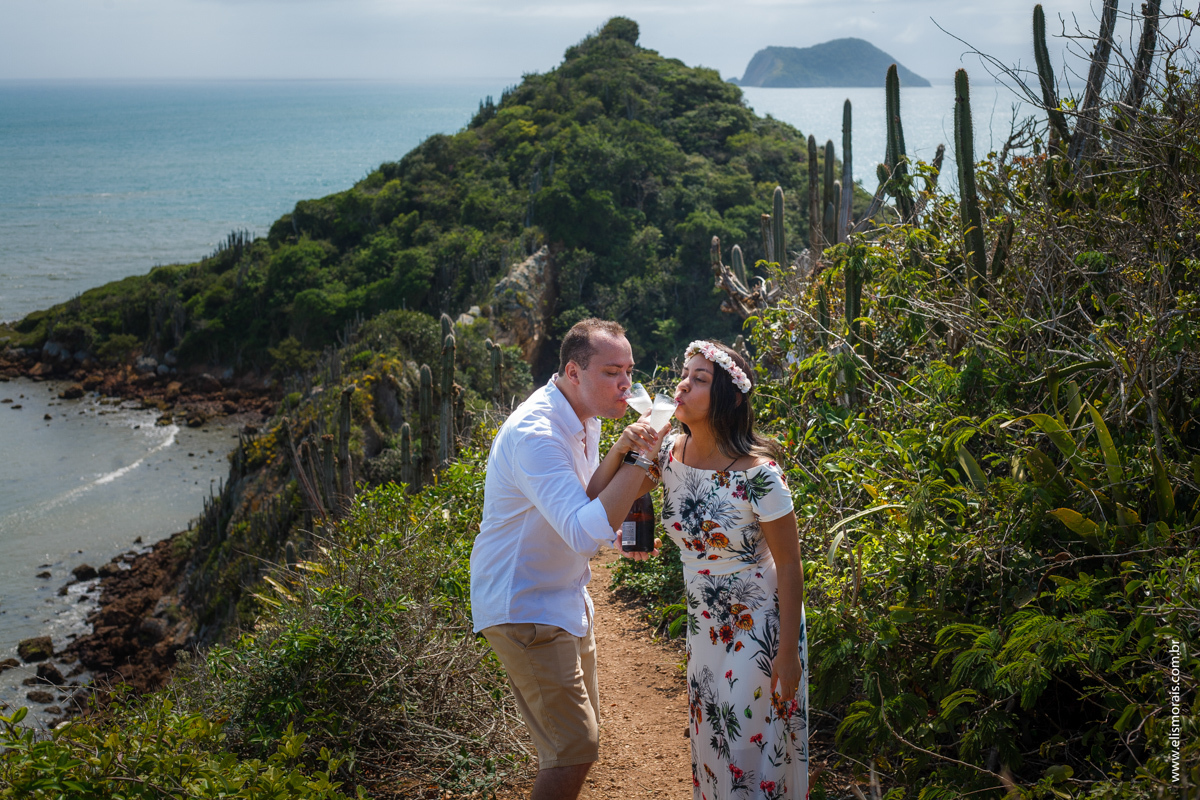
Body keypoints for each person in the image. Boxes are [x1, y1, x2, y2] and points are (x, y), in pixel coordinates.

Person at [588, 339, 808, 800]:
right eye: (684, 376)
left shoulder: (760, 475)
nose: (683, 386)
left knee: (749, 742)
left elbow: (789, 564)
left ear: (730, 397)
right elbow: (598, 500)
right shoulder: (670, 454)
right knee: (714, 738)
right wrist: (625, 447)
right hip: (704, 625)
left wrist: (787, 652)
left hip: (758, 625)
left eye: (699, 379)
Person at [470, 318, 665, 800]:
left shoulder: (586, 417)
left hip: (563, 599)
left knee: (578, 743)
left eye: (630, 371)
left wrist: (623, 457)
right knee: (574, 748)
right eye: (612, 373)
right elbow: (580, 533)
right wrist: (640, 462)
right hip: (525, 605)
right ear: (574, 372)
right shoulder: (537, 433)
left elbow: (583, 503)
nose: (626, 385)